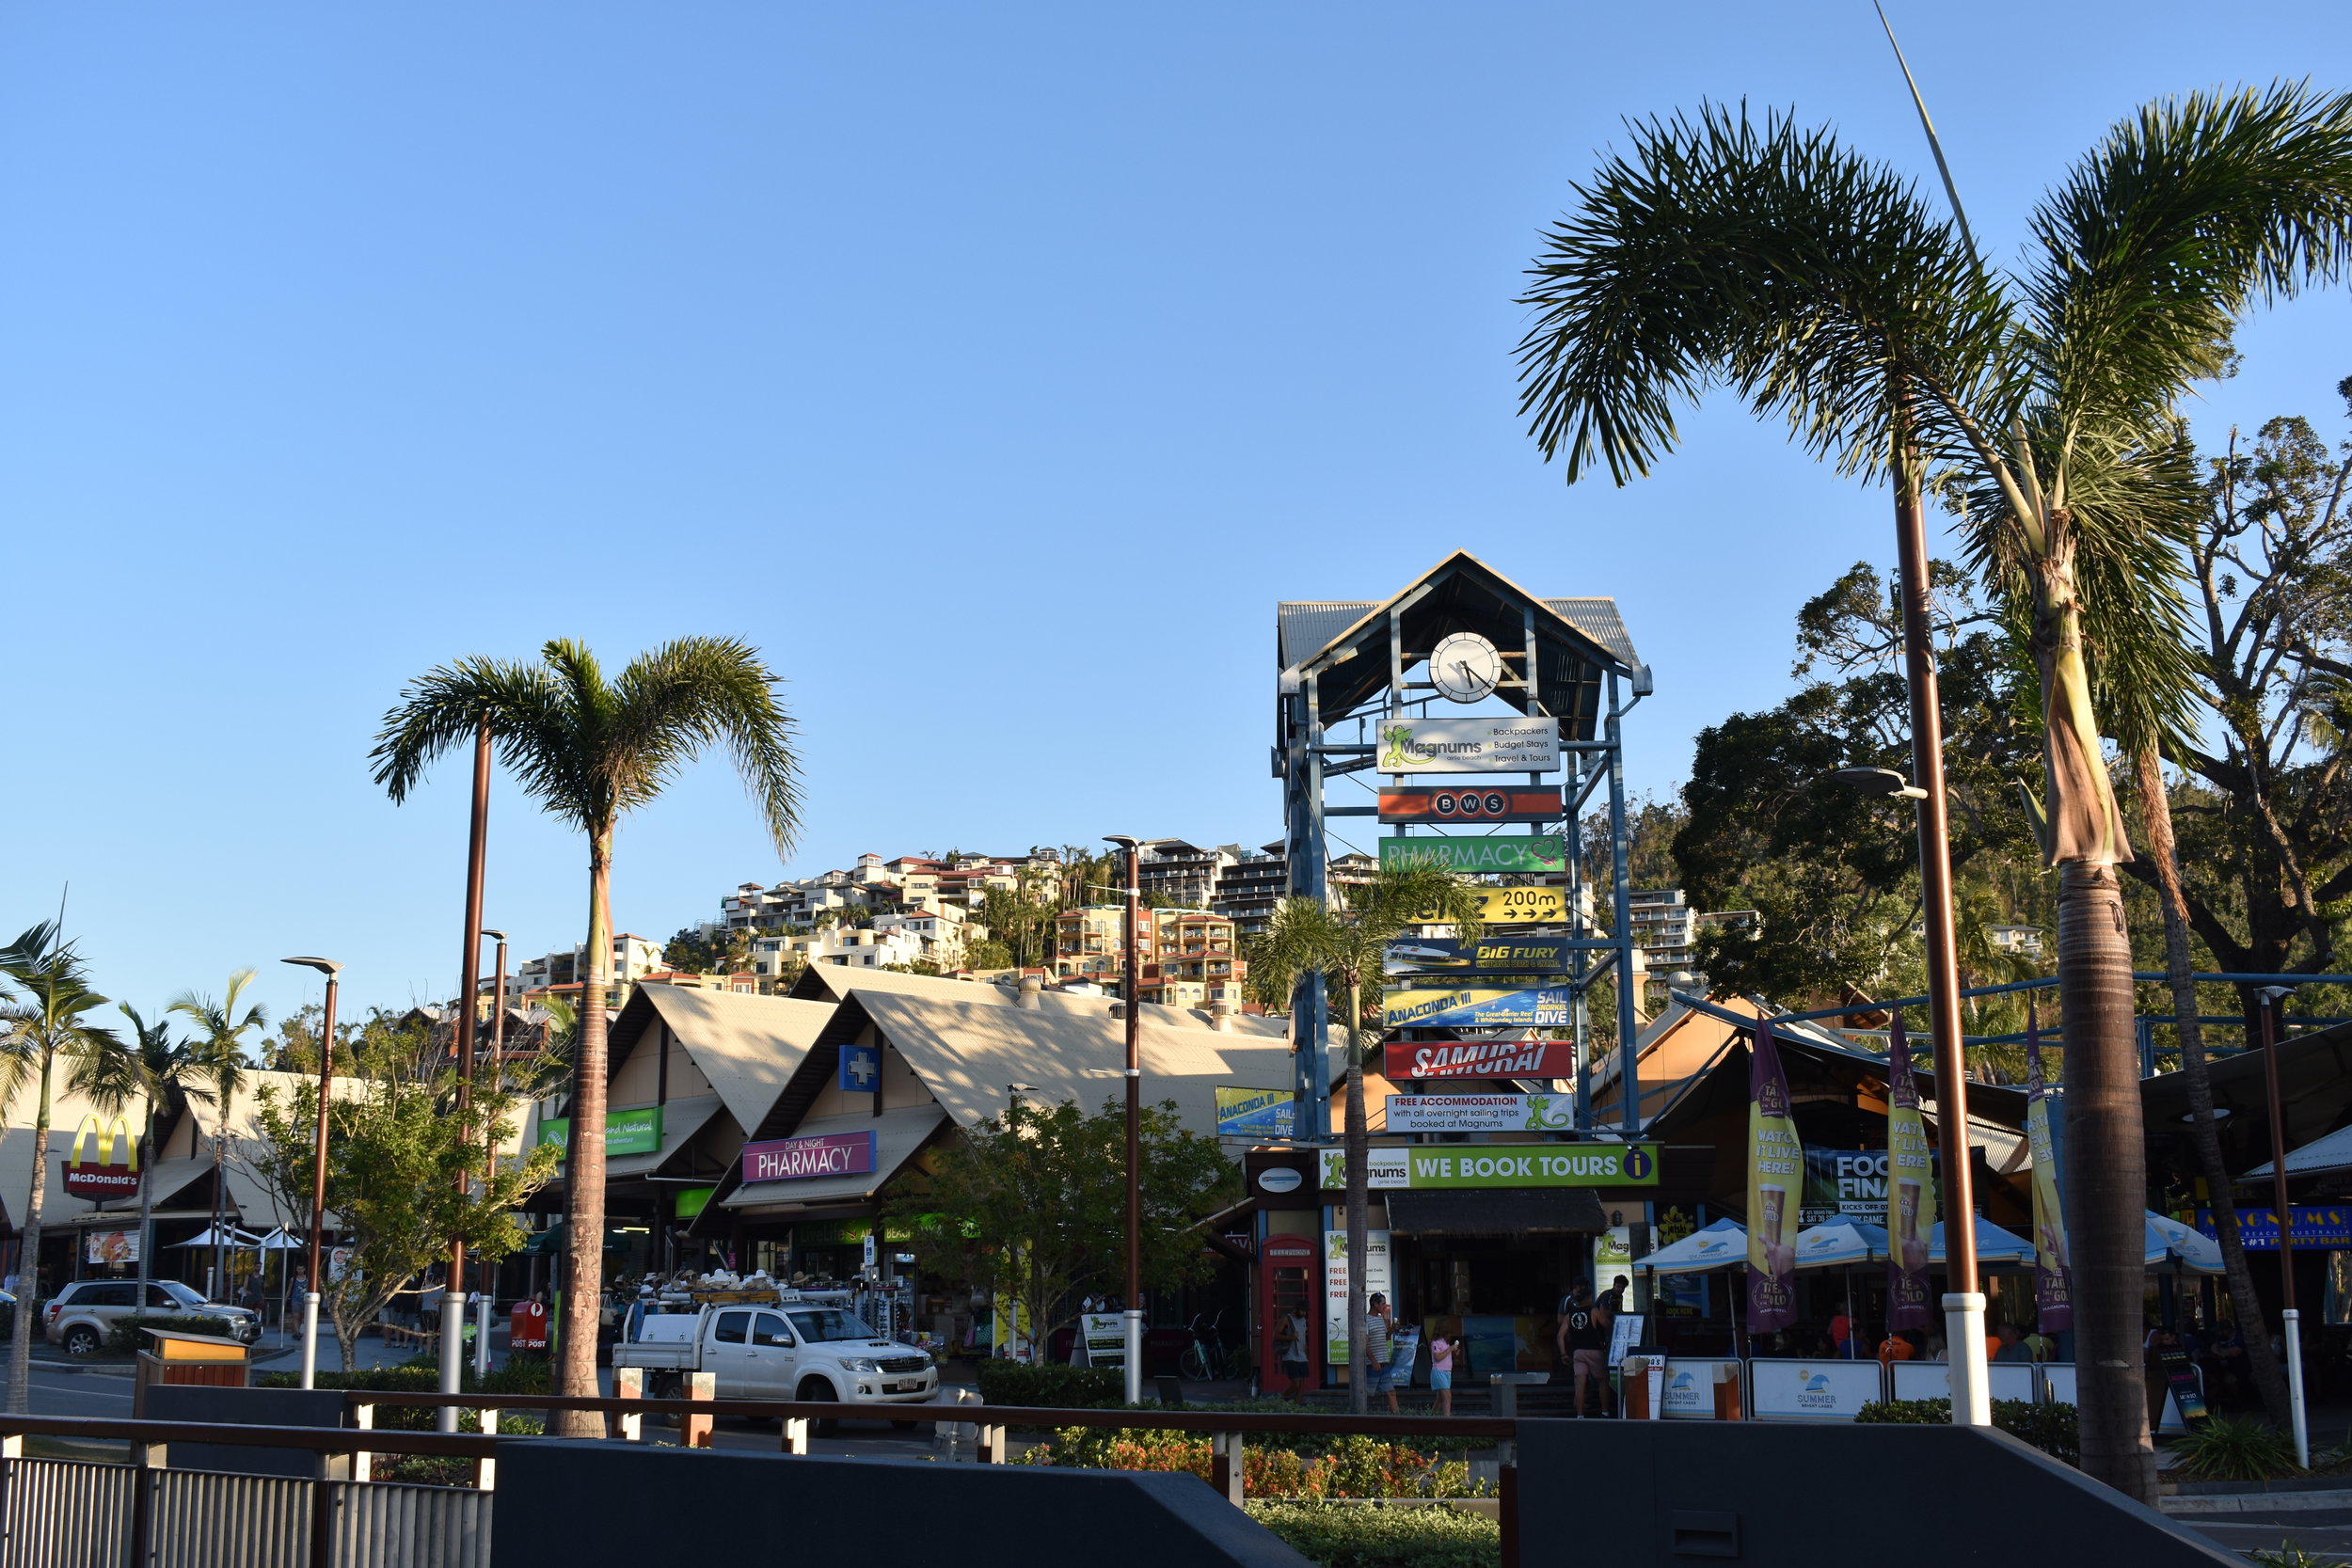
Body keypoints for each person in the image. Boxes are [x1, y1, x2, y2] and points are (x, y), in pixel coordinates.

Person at [1555, 1284, 1611, 1418]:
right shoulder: (1593, 1311)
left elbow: (1560, 1336)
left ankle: (1580, 1415)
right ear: (1589, 1298)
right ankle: (1605, 1412)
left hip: (1578, 1353)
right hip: (1594, 1351)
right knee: (1603, 1380)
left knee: (1580, 1384)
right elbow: (1606, 1324)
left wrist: (1563, 1354)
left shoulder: (1570, 1315)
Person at [1363, 1293, 1399, 1414]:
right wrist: (1373, 1360)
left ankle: (1399, 1420)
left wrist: (1392, 1330)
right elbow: (1365, 1343)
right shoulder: (1366, 1320)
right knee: (1367, 1394)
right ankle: (1359, 1415)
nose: (1385, 1306)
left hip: (1384, 1362)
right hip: (1373, 1364)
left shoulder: (1380, 1319)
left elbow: (1385, 1338)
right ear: (1375, 1304)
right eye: (1383, 1303)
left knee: (1391, 1392)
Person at [1275, 1305, 1311, 1401]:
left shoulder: (1303, 1320)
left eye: (1305, 1311)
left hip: (1302, 1355)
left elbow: (1303, 1338)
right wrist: (1291, 1337)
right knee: (1296, 1383)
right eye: (1302, 1311)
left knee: (1302, 1384)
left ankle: (1296, 1407)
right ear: (1296, 1309)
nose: (1304, 1313)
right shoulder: (1287, 1319)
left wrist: (1306, 1354)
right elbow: (1276, 1336)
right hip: (1289, 1355)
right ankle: (1281, 1399)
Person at [1428, 1330, 1456, 1417]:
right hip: (1439, 1371)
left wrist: (1453, 1352)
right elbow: (1438, 1358)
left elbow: (1446, 1355)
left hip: (1447, 1372)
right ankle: (1447, 1419)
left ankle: (1431, 1417)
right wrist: (1450, 1349)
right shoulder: (1435, 1343)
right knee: (1447, 1396)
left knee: (1440, 1398)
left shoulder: (1445, 1342)